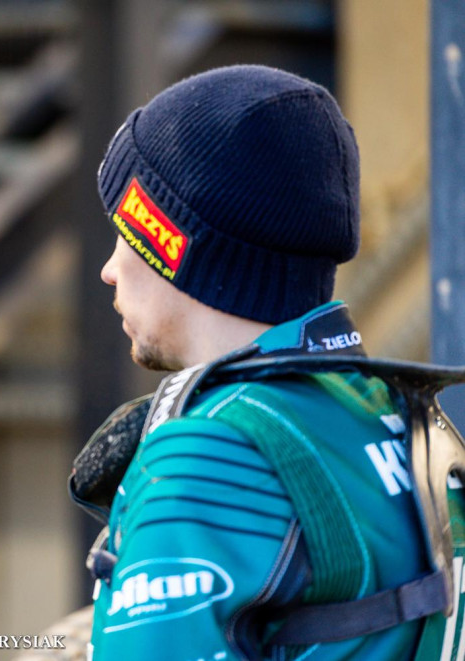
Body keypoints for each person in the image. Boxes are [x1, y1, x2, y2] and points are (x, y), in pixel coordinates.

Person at [72, 65, 465, 659]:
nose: (109, 269)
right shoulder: (401, 416)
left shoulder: (209, 455)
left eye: (126, 233)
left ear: (170, 244)